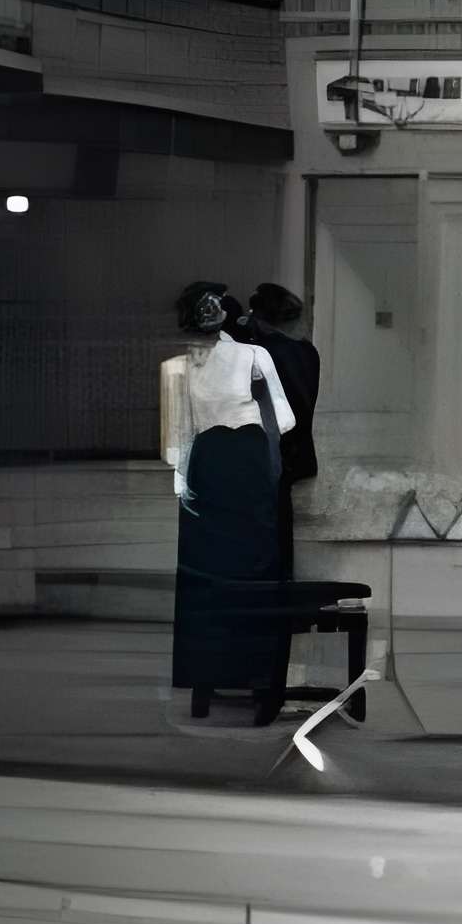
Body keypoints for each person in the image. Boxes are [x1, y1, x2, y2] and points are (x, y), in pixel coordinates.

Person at [161, 279, 300, 713]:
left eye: (214, 302)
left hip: (245, 460)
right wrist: (181, 480)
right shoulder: (179, 367)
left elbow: (285, 417)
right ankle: (209, 675)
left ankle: (256, 674)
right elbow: (177, 430)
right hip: (212, 465)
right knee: (209, 573)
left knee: (253, 566)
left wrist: (265, 456)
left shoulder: (253, 355)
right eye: (202, 305)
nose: (211, 310)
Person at [242, 283, 322, 577]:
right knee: (280, 528)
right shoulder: (307, 353)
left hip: (268, 453)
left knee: (263, 534)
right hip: (297, 452)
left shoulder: (260, 354)